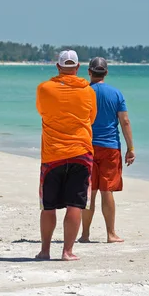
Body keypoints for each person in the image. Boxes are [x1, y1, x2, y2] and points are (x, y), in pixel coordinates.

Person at [35, 50, 97, 261]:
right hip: (81, 152)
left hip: (52, 154)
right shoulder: (88, 91)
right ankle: (67, 251)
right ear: (78, 68)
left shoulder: (44, 88)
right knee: (75, 204)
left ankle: (45, 251)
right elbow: (91, 118)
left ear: (58, 66)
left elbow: (42, 112)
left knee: (48, 206)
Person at [79, 57, 135, 244]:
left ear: (89, 72)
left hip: (87, 146)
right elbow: (124, 121)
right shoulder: (116, 94)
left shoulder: (83, 92)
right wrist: (131, 148)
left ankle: (85, 234)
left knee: (89, 191)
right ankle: (111, 234)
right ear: (106, 72)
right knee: (107, 190)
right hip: (110, 147)